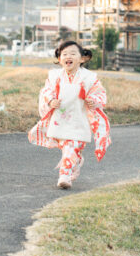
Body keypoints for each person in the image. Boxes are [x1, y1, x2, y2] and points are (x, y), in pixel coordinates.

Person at [28, 40, 111, 189]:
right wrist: (51, 100)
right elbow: (47, 91)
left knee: (72, 145)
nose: (68, 56)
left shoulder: (89, 78)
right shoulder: (55, 76)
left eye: (73, 53)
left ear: (82, 58)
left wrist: (94, 100)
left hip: (80, 118)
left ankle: (64, 176)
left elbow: (100, 93)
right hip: (61, 118)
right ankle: (76, 160)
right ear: (59, 59)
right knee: (65, 145)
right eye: (64, 54)